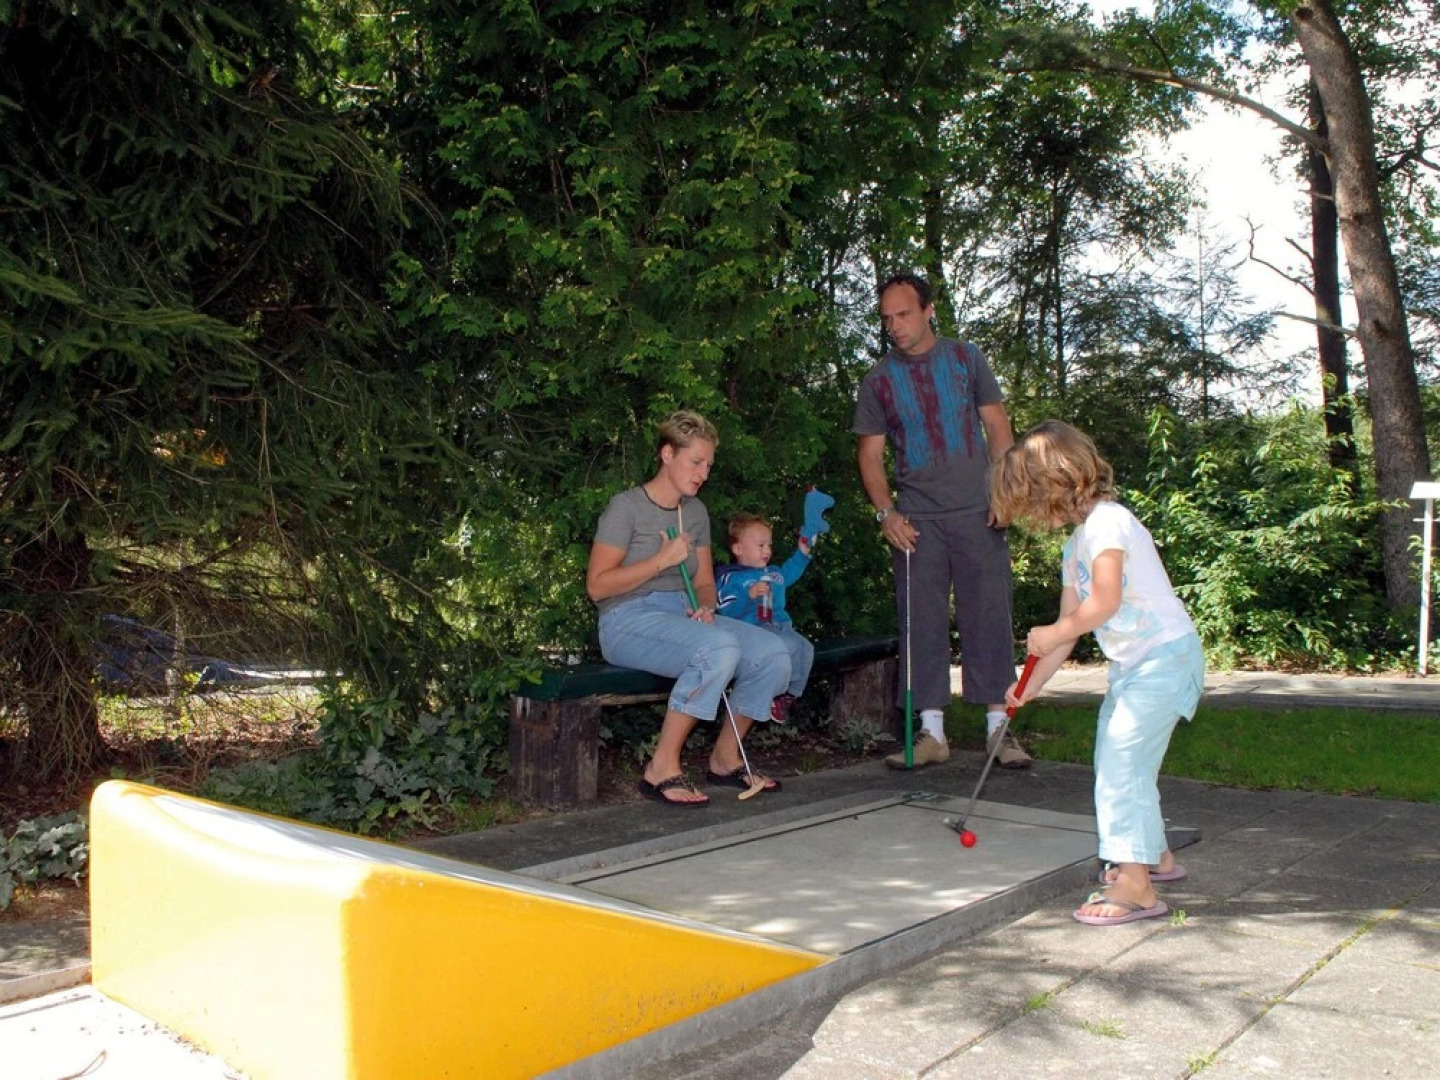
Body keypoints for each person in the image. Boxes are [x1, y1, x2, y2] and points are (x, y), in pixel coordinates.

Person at [990, 420, 1205, 926]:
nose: (1033, 513)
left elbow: (1103, 603)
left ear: (1055, 485)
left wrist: (1054, 627)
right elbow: (1068, 633)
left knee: (1119, 765)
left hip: (1165, 658)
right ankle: (1153, 857)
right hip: (1137, 667)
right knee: (1127, 763)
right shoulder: (1076, 545)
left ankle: (1137, 886)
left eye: (1032, 498)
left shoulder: (1109, 522)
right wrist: (1030, 685)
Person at [852, 272, 1031, 770]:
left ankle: (1000, 730)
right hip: (917, 522)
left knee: (990, 616)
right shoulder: (879, 380)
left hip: (980, 511)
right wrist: (886, 513)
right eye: (887, 318)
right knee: (920, 625)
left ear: (929, 310)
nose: (895, 326)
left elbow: (997, 425)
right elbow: (869, 455)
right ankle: (931, 734)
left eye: (904, 314)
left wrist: (1004, 491)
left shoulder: (966, 358)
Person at [586, 410, 788, 807]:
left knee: (773, 654)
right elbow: (597, 586)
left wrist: (708, 607)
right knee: (718, 649)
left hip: (683, 614)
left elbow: (704, 583)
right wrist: (660, 561)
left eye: (709, 465)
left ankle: (726, 758)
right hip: (628, 619)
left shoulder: (694, 512)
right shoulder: (625, 508)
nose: (704, 473)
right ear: (666, 454)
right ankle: (661, 766)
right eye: (696, 462)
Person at [715, 513, 816, 721]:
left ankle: (788, 696)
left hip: (782, 626)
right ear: (738, 549)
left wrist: (802, 552)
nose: (767, 551)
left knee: (806, 648)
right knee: (789, 646)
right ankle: (774, 691)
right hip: (755, 631)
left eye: (769, 545)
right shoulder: (732, 578)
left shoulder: (774, 573)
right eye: (760, 545)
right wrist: (748, 595)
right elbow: (726, 612)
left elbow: (792, 570)